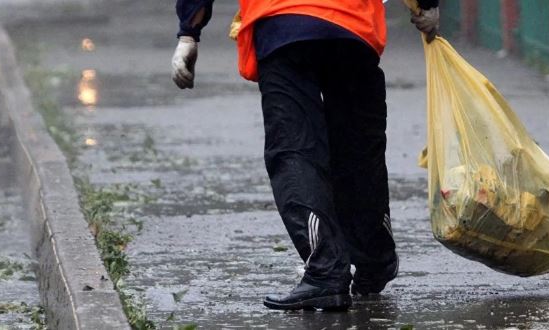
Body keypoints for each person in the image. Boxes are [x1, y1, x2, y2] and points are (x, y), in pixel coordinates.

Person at [172, 0, 439, 311]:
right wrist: (426, 5)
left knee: (294, 150)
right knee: (357, 150)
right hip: (353, 29)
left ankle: (326, 272)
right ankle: (374, 258)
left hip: (283, 26)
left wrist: (189, 33)